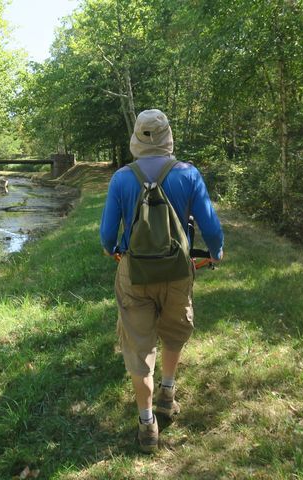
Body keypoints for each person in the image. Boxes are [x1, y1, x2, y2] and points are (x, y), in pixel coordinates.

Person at [100, 109, 224, 453]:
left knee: (139, 347)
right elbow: (211, 227)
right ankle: (167, 393)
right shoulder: (188, 173)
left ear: (137, 139)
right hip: (177, 271)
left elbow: (107, 235)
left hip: (134, 273)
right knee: (174, 329)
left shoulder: (122, 178)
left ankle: (146, 424)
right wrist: (216, 252)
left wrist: (114, 251)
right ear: (169, 136)